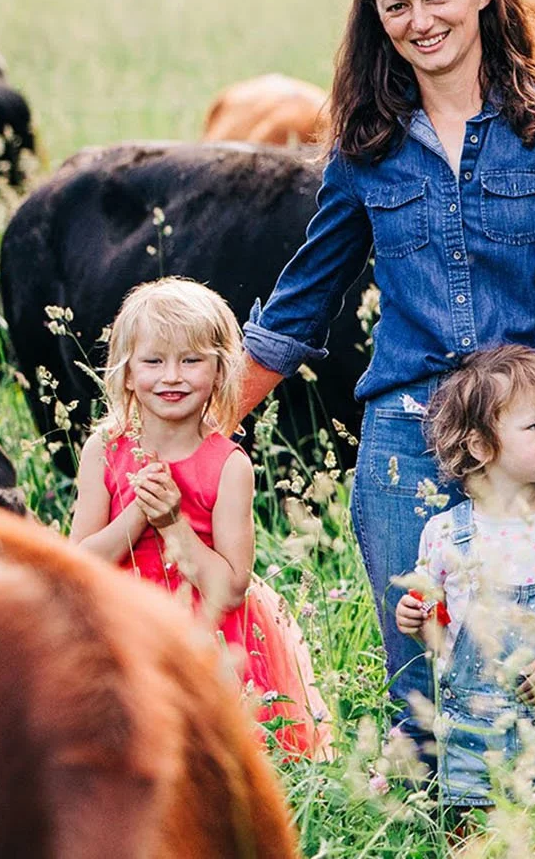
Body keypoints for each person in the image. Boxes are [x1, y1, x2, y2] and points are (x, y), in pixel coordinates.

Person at [234, 0, 535, 780]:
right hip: (408, 437)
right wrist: (206, 425)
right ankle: (460, 828)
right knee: (431, 681)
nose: (419, 21)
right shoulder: (367, 149)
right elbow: (299, 304)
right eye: (395, 7)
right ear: (377, 19)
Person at [70, 277, 333, 761]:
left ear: (218, 372)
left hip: (208, 638)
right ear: (127, 375)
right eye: (153, 361)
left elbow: (230, 588)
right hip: (124, 625)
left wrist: (172, 522)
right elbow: (80, 563)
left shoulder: (229, 466)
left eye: (191, 360)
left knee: (207, 762)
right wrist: (137, 515)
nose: (172, 376)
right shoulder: (104, 450)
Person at [395, 346, 535, 816]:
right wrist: (413, 619)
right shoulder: (444, 535)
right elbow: (440, 638)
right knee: (474, 834)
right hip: (476, 729)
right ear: (479, 446)